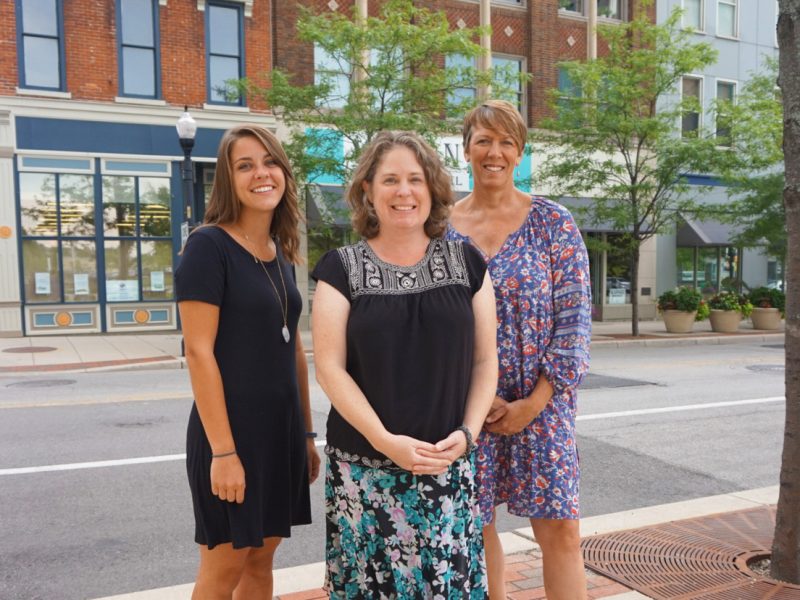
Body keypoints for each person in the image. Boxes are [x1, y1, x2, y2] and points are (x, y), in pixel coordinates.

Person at [311, 130, 498, 598]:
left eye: (415, 179)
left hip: (447, 467)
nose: (404, 191)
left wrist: (469, 435)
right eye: (389, 179)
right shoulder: (340, 268)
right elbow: (330, 368)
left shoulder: (467, 261)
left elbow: (484, 359)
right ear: (368, 192)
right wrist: (385, 441)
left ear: (432, 189)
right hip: (366, 472)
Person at [446, 100, 592, 600]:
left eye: (507, 141)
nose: (495, 152)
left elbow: (573, 324)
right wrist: (475, 401)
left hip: (543, 404)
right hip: (466, 406)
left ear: (520, 152)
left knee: (561, 530)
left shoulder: (553, 223)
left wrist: (534, 403)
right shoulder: (439, 229)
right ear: (465, 149)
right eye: (484, 140)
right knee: (474, 527)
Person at [175, 124, 320, 599]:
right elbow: (198, 352)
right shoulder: (208, 246)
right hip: (230, 436)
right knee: (223, 572)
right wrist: (223, 453)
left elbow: (293, 350)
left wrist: (305, 435)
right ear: (228, 179)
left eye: (270, 161)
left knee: (261, 562)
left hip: (280, 434)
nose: (262, 173)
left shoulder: (279, 253)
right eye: (246, 165)